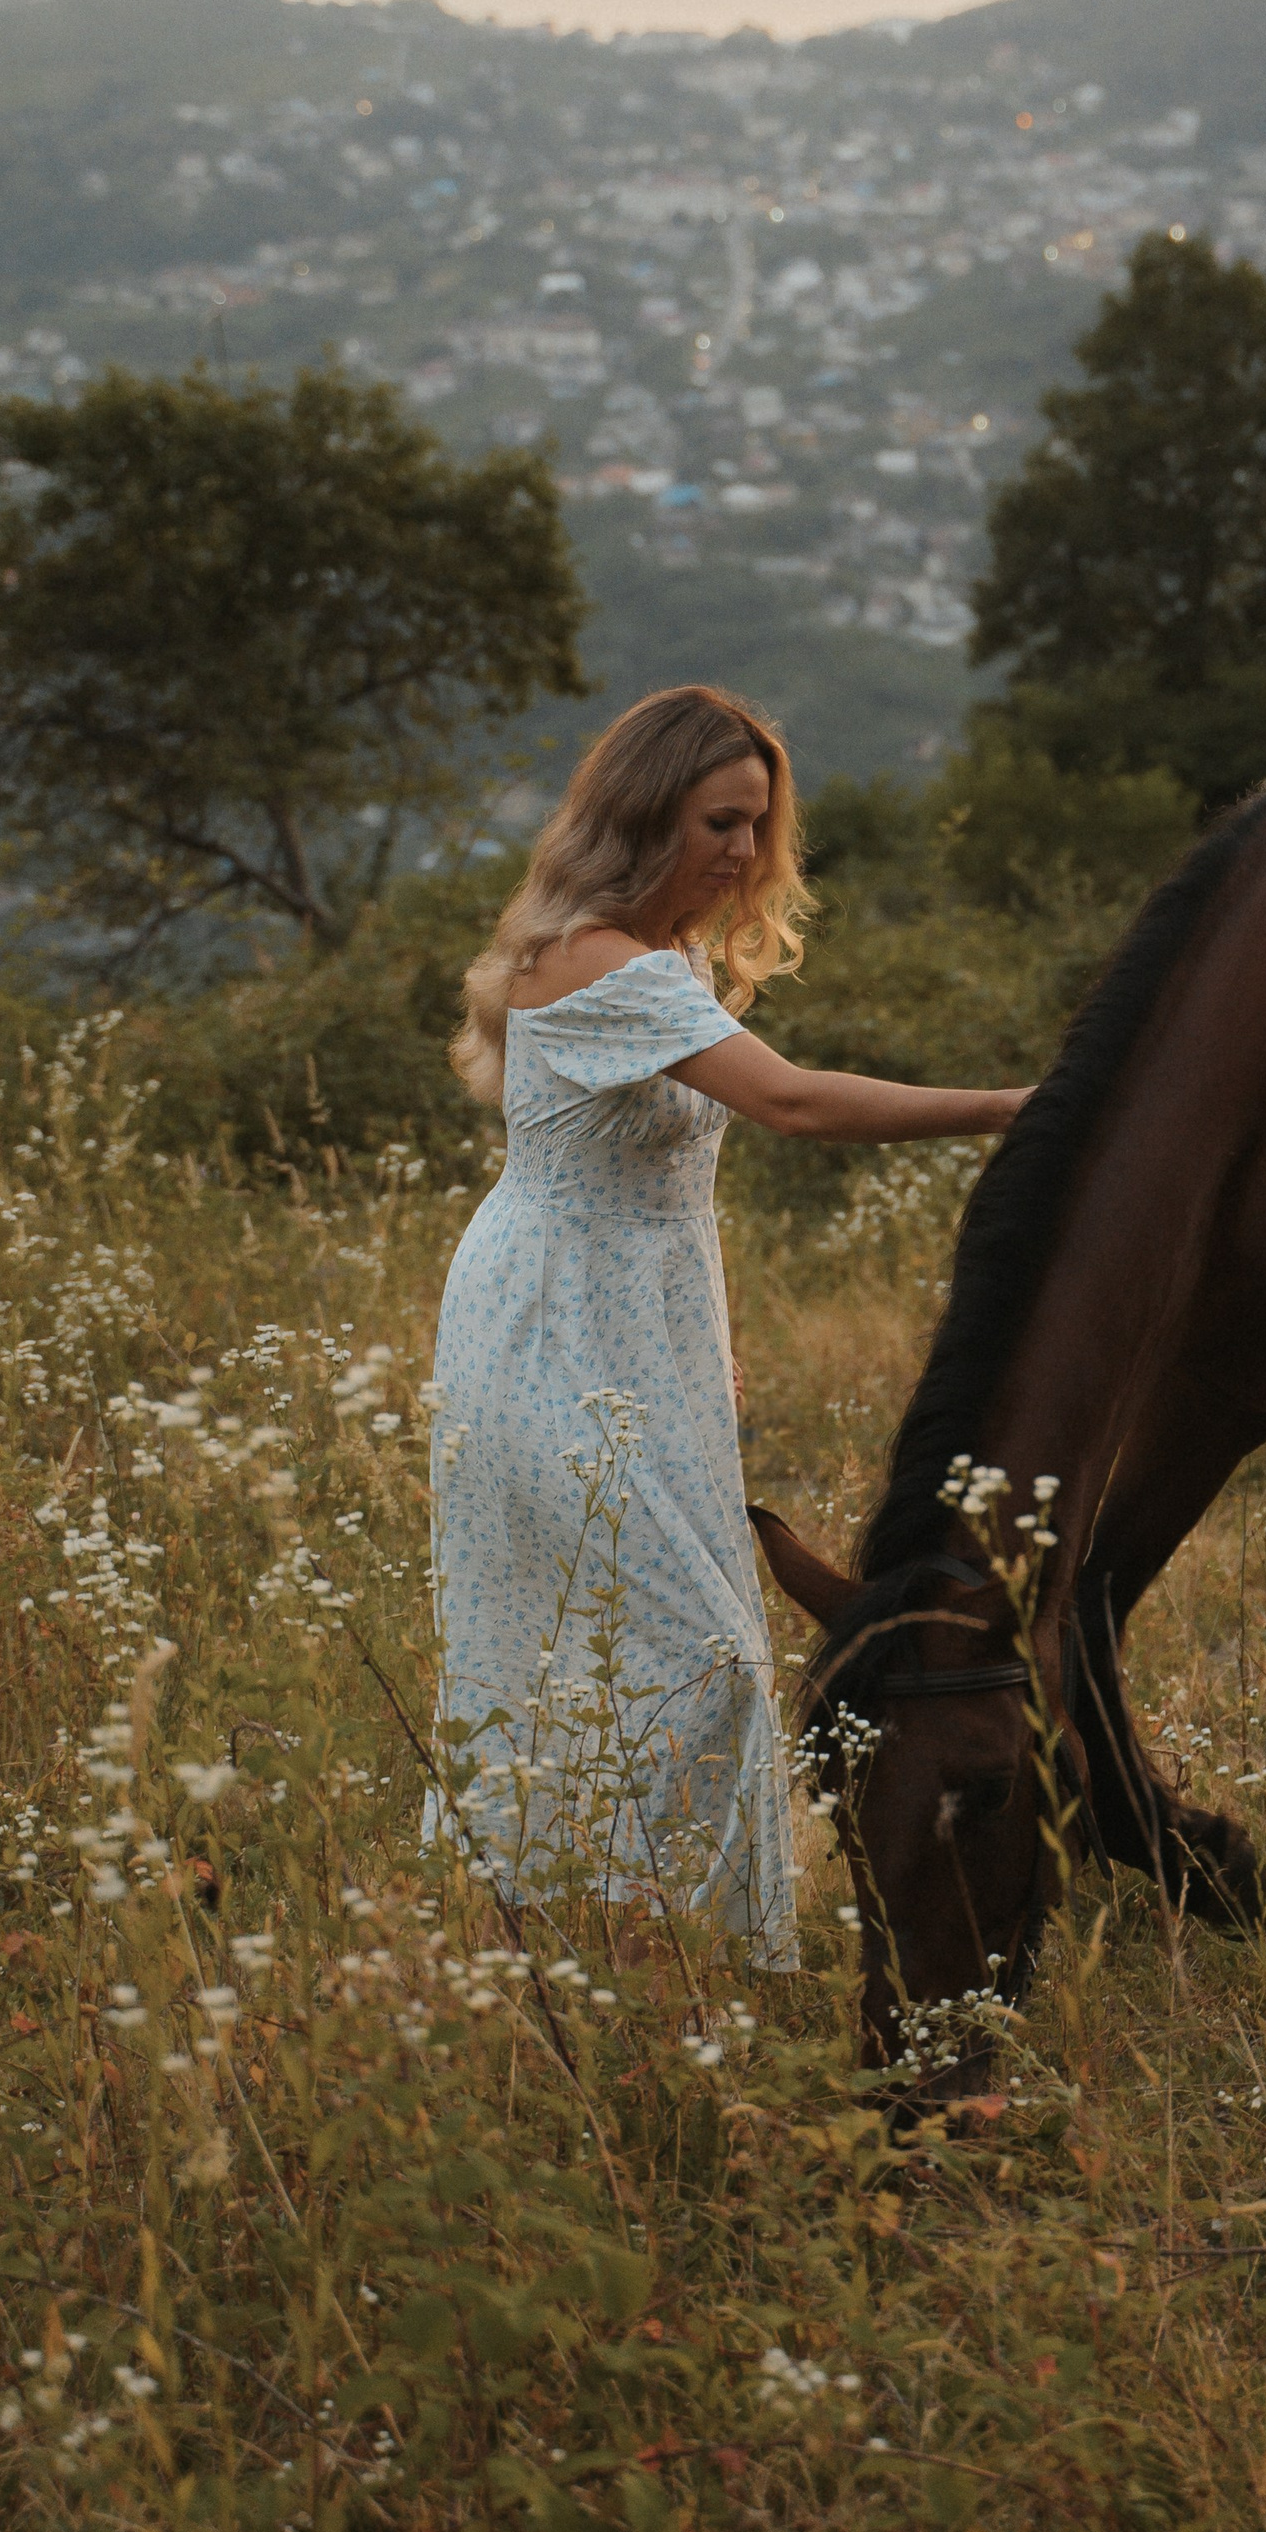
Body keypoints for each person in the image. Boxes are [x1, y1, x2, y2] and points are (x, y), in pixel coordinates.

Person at [433, 684, 1029, 1961]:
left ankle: (602, 1954)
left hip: (651, 1332)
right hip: (544, 1329)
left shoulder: (674, 958)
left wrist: (711, 1328)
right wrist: (1025, 1107)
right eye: (718, 820)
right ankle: (594, 1945)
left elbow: (670, 1180)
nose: (744, 854)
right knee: (682, 1643)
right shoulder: (595, 962)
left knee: (641, 1645)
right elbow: (796, 1105)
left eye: (758, 826)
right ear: (644, 813)